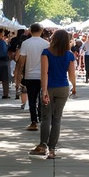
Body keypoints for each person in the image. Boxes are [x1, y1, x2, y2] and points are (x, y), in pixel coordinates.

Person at [29, 29, 77, 159]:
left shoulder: (46, 53)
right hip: (63, 87)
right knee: (57, 119)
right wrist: (74, 86)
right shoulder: (70, 55)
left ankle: (43, 144)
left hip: (49, 87)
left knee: (46, 117)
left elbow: (44, 73)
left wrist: (44, 91)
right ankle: (52, 149)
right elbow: (72, 74)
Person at [16, 23, 49, 132]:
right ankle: (42, 118)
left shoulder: (26, 43)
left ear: (30, 31)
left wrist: (19, 73)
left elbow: (22, 60)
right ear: (42, 31)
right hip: (44, 75)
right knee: (43, 97)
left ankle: (34, 121)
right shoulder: (46, 44)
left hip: (30, 75)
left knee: (32, 99)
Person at [7, 28, 26, 99]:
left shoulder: (17, 42)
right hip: (26, 64)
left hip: (18, 63)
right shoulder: (26, 44)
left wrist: (15, 59)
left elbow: (16, 56)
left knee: (18, 77)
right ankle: (23, 95)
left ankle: (17, 91)